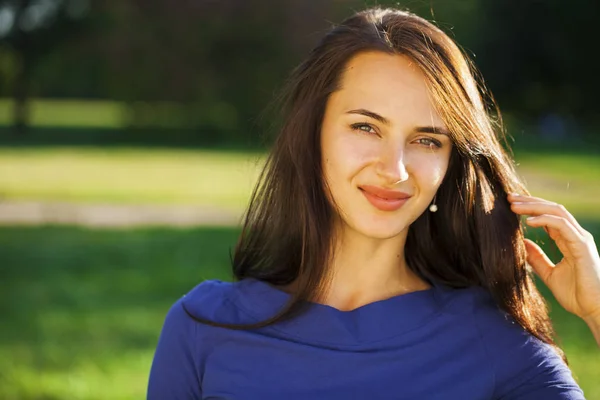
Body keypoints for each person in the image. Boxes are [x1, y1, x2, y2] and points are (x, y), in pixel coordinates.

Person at [147, 7, 600, 399]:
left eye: (426, 140)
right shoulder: (202, 327)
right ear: (313, 133)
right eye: (366, 127)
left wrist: (598, 311)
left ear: (449, 165)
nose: (395, 169)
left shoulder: (489, 339)